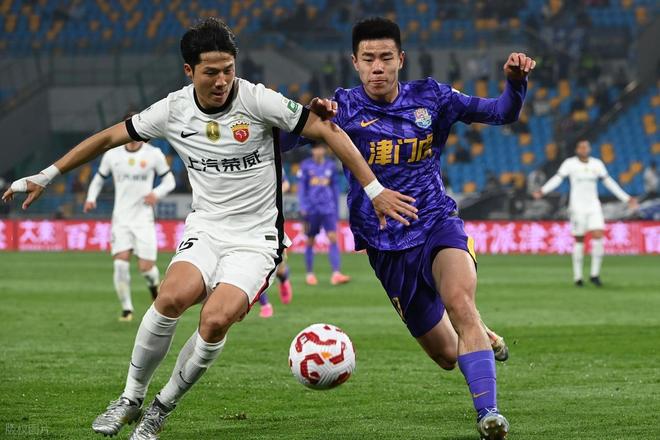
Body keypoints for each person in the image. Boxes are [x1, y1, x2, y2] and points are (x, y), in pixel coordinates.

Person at [2, 18, 417, 440]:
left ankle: (160, 408)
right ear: (189, 71)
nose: (222, 81)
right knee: (169, 298)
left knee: (215, 321)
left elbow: (327, 130)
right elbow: (109, 138)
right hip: (206, 227)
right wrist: (47, 174)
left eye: (228, 70)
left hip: (257, 240)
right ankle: (129, 398)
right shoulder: (173, 110)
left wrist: (374, 189)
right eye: (211, 72)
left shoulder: (258, 100)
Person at [280, 17, 533, 440]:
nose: (377, 67)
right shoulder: (342, 108)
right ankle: (480, 333)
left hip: (436, 223)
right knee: (447, 356)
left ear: (401, 59)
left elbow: (502, 113)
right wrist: (308, 120)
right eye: (368, 59)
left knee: (460, 301)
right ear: (355, 63)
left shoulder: (432, 98)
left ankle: (489, 413)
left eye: (385, 57)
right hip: (386, 248)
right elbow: (282, 142)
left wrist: (515, 82)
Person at [84, 121, 176, 322]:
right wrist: (91, 198)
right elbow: (99, 179)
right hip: (121, 218)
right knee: (120, 263)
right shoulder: (112, 155)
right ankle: (127, 309)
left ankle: (153, 288)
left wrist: (156, 193)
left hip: (143, 218)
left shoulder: (153, 154)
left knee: (146, 268)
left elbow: (170, 181)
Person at [534, 140, 638, 287]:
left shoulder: (597, 164)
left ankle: (595, 274)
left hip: (593, 206)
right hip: (577, 207)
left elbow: (609, 182)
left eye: (586, 147)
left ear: (589, 149)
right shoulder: (570, 163)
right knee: (579, 239)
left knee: (598, 235)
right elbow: (558, 179)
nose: (584, 149)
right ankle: (578, 276)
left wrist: (626, 198)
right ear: (577, 149)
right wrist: (543, 190)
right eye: (581, 147)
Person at [297, 142, 350, 286]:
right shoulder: (306, 166)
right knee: (310, 240)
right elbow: (302, 188)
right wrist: (303, 206)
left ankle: (336, 274)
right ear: (312, 151)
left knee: (333, 238)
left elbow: (334, 188)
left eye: (321, 148)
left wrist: (336, 207)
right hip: (311, 209)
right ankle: (309, 274)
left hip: (328, 208)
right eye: (316, 149)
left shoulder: (330, 166)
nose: (318, 151)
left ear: (324, 150)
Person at [258, 168, 294, 318]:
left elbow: (286, 184)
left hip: (273, 223)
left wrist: (274, 192)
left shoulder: (271, 164)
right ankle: (265, 305)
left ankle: (283, 278)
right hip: (250, 225)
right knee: (255, 270)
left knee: (278, 268)